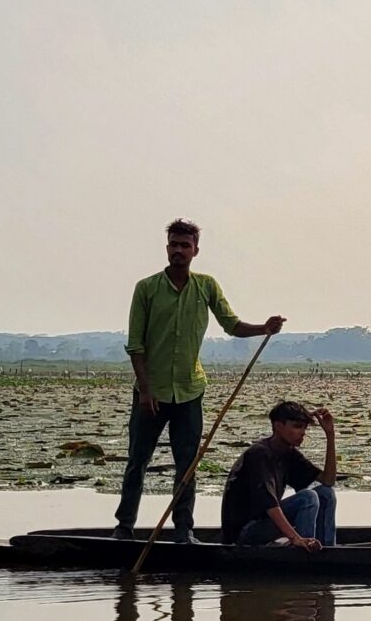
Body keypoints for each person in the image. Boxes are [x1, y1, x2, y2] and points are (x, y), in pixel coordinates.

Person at [116, 220, 282, 544]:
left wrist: (264, 327)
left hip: (189, 392)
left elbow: (232, 325)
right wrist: (145, 388)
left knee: (187, 466)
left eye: (185, 245)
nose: (179, 250)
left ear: (195, 250)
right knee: (137, 461)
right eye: (174, 245)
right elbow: (135, 344)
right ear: (167, 248)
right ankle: (124, 527)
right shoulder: (146, 288)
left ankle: (183, 530)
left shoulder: (206, 286)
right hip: (152, 393)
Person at [221, 400, 338, 549]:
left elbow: (328, 480)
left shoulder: (288, 453)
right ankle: (304, 553)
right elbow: (270, 505)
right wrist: (295, 538)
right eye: (296, 427)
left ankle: (328, 550)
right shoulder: (260, 454)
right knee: (308, 498)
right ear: (278, 426)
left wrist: (330, 434)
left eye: (304, 428)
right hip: (243, 534)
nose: (302, 433)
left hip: (264, 523)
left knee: (326, 493)